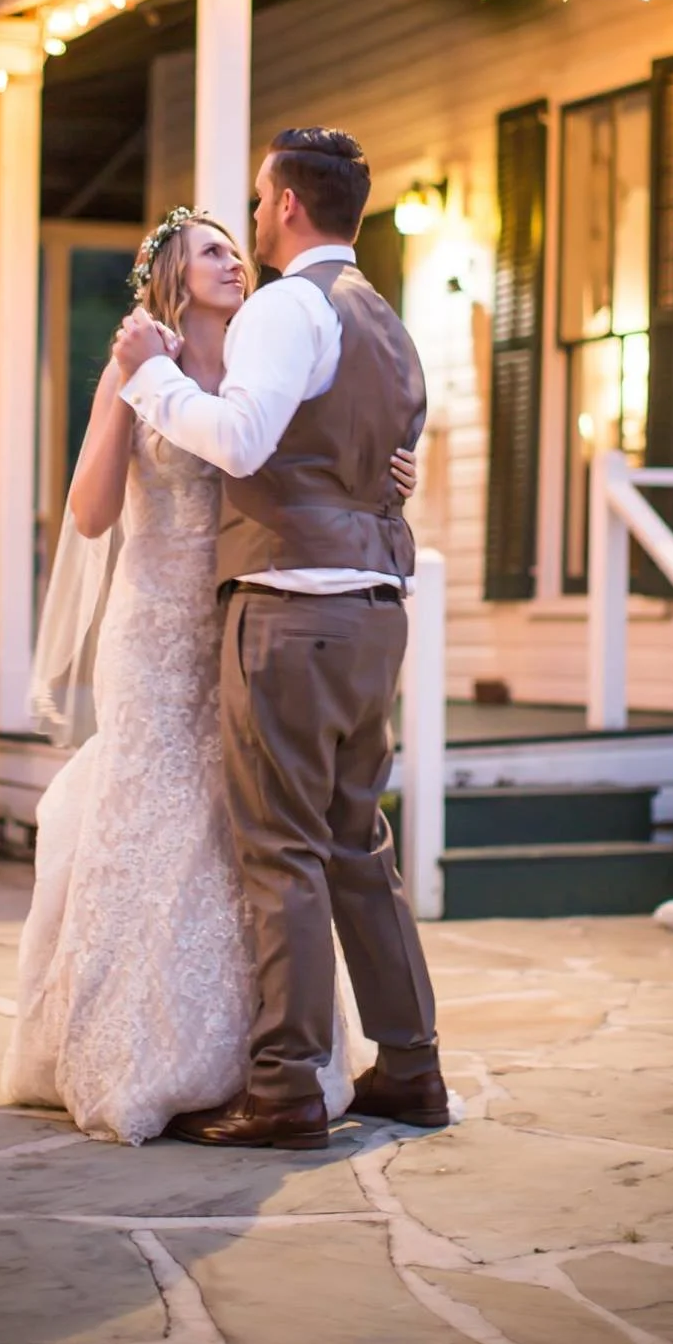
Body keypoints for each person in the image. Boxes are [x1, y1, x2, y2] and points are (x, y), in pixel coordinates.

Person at [1, 206, 417, 1145]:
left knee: (247, 839)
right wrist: (129, 389)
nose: (235, 261)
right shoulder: (136, 371)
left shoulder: (271, 363)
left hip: (253, 614)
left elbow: (317, 470)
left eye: (237, 245)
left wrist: (392, 472)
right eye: (213, 253)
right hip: (157, 625)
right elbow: (91, 514)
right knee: (154, 815)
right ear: (171, 281)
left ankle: (247, 1058)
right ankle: (130, 1046)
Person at [112, 126, 448, 1152]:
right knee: (357, 844)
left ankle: (284, 1084)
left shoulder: (285, 307)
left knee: (283, 852)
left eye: (259, 201)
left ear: (290, 207)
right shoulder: (386, 318)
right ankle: (410, 1064)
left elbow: (245, 437)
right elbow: (375, 455)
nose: (252, 219)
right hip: (375, 612)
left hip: (292, 609)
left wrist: (151, 382)